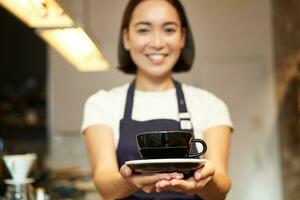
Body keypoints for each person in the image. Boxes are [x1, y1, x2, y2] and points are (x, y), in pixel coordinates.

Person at [81, 0, 233, 199]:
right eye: (144, 30)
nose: (157, 43)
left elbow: (220, 190)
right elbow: (105, 185)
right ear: (126, 38)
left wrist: (205, 180)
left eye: (169, 30)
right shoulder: (101, 104)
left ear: (182, 38)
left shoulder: (210, 105)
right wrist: (130, 182)